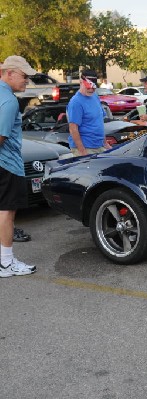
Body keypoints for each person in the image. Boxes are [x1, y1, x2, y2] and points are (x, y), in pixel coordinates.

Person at [0, 55, 38, 277]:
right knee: (7, 212)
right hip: (7, 164)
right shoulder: (9, 100)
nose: (27, 81)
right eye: (24, 76)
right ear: (10, 73)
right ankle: (6, 263)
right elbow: (1, 137)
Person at [67, 69, 111, 156]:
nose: (91, 90)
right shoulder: (76, 102)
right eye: (88, 87)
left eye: (93, 87)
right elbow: (73, 129)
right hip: (86, 148)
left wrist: (105, 143)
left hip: (99, 145)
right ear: (81, 82)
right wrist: (83, 152)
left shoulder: (95, 96)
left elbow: (99, 122)